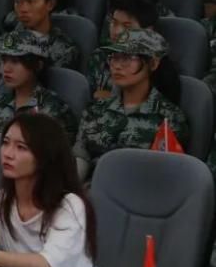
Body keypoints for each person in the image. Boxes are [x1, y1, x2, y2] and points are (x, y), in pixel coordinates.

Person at [0, 114, 99, 267]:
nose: (8, 154)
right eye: (5, 143)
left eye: (21, 147)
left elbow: (47, 265)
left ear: (45, 157)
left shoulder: (69, 205)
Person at [73, 29, 188, 176]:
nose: (117, 66)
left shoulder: (169, 120)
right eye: (114, 57)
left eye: (128, 58)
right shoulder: (95, 110)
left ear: (153, 63)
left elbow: (165, 175)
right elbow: (81, 157)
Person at [0, 30, 77, 160]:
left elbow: (59, 159)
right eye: (4, 60)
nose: (6, 69)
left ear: (37, 65)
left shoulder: (54, 110)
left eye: (15, 61)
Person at [0, 0, 80, 95]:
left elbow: (55, 92)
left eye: (31, 1)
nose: (23, 9)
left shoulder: (64, 49)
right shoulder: (2, 42)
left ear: (50, 4)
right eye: (18, 2)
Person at [86, 0, 158, 100]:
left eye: (127, 26)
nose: (117, 31)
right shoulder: (99, 56)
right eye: (114, 23)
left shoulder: (156, 66)